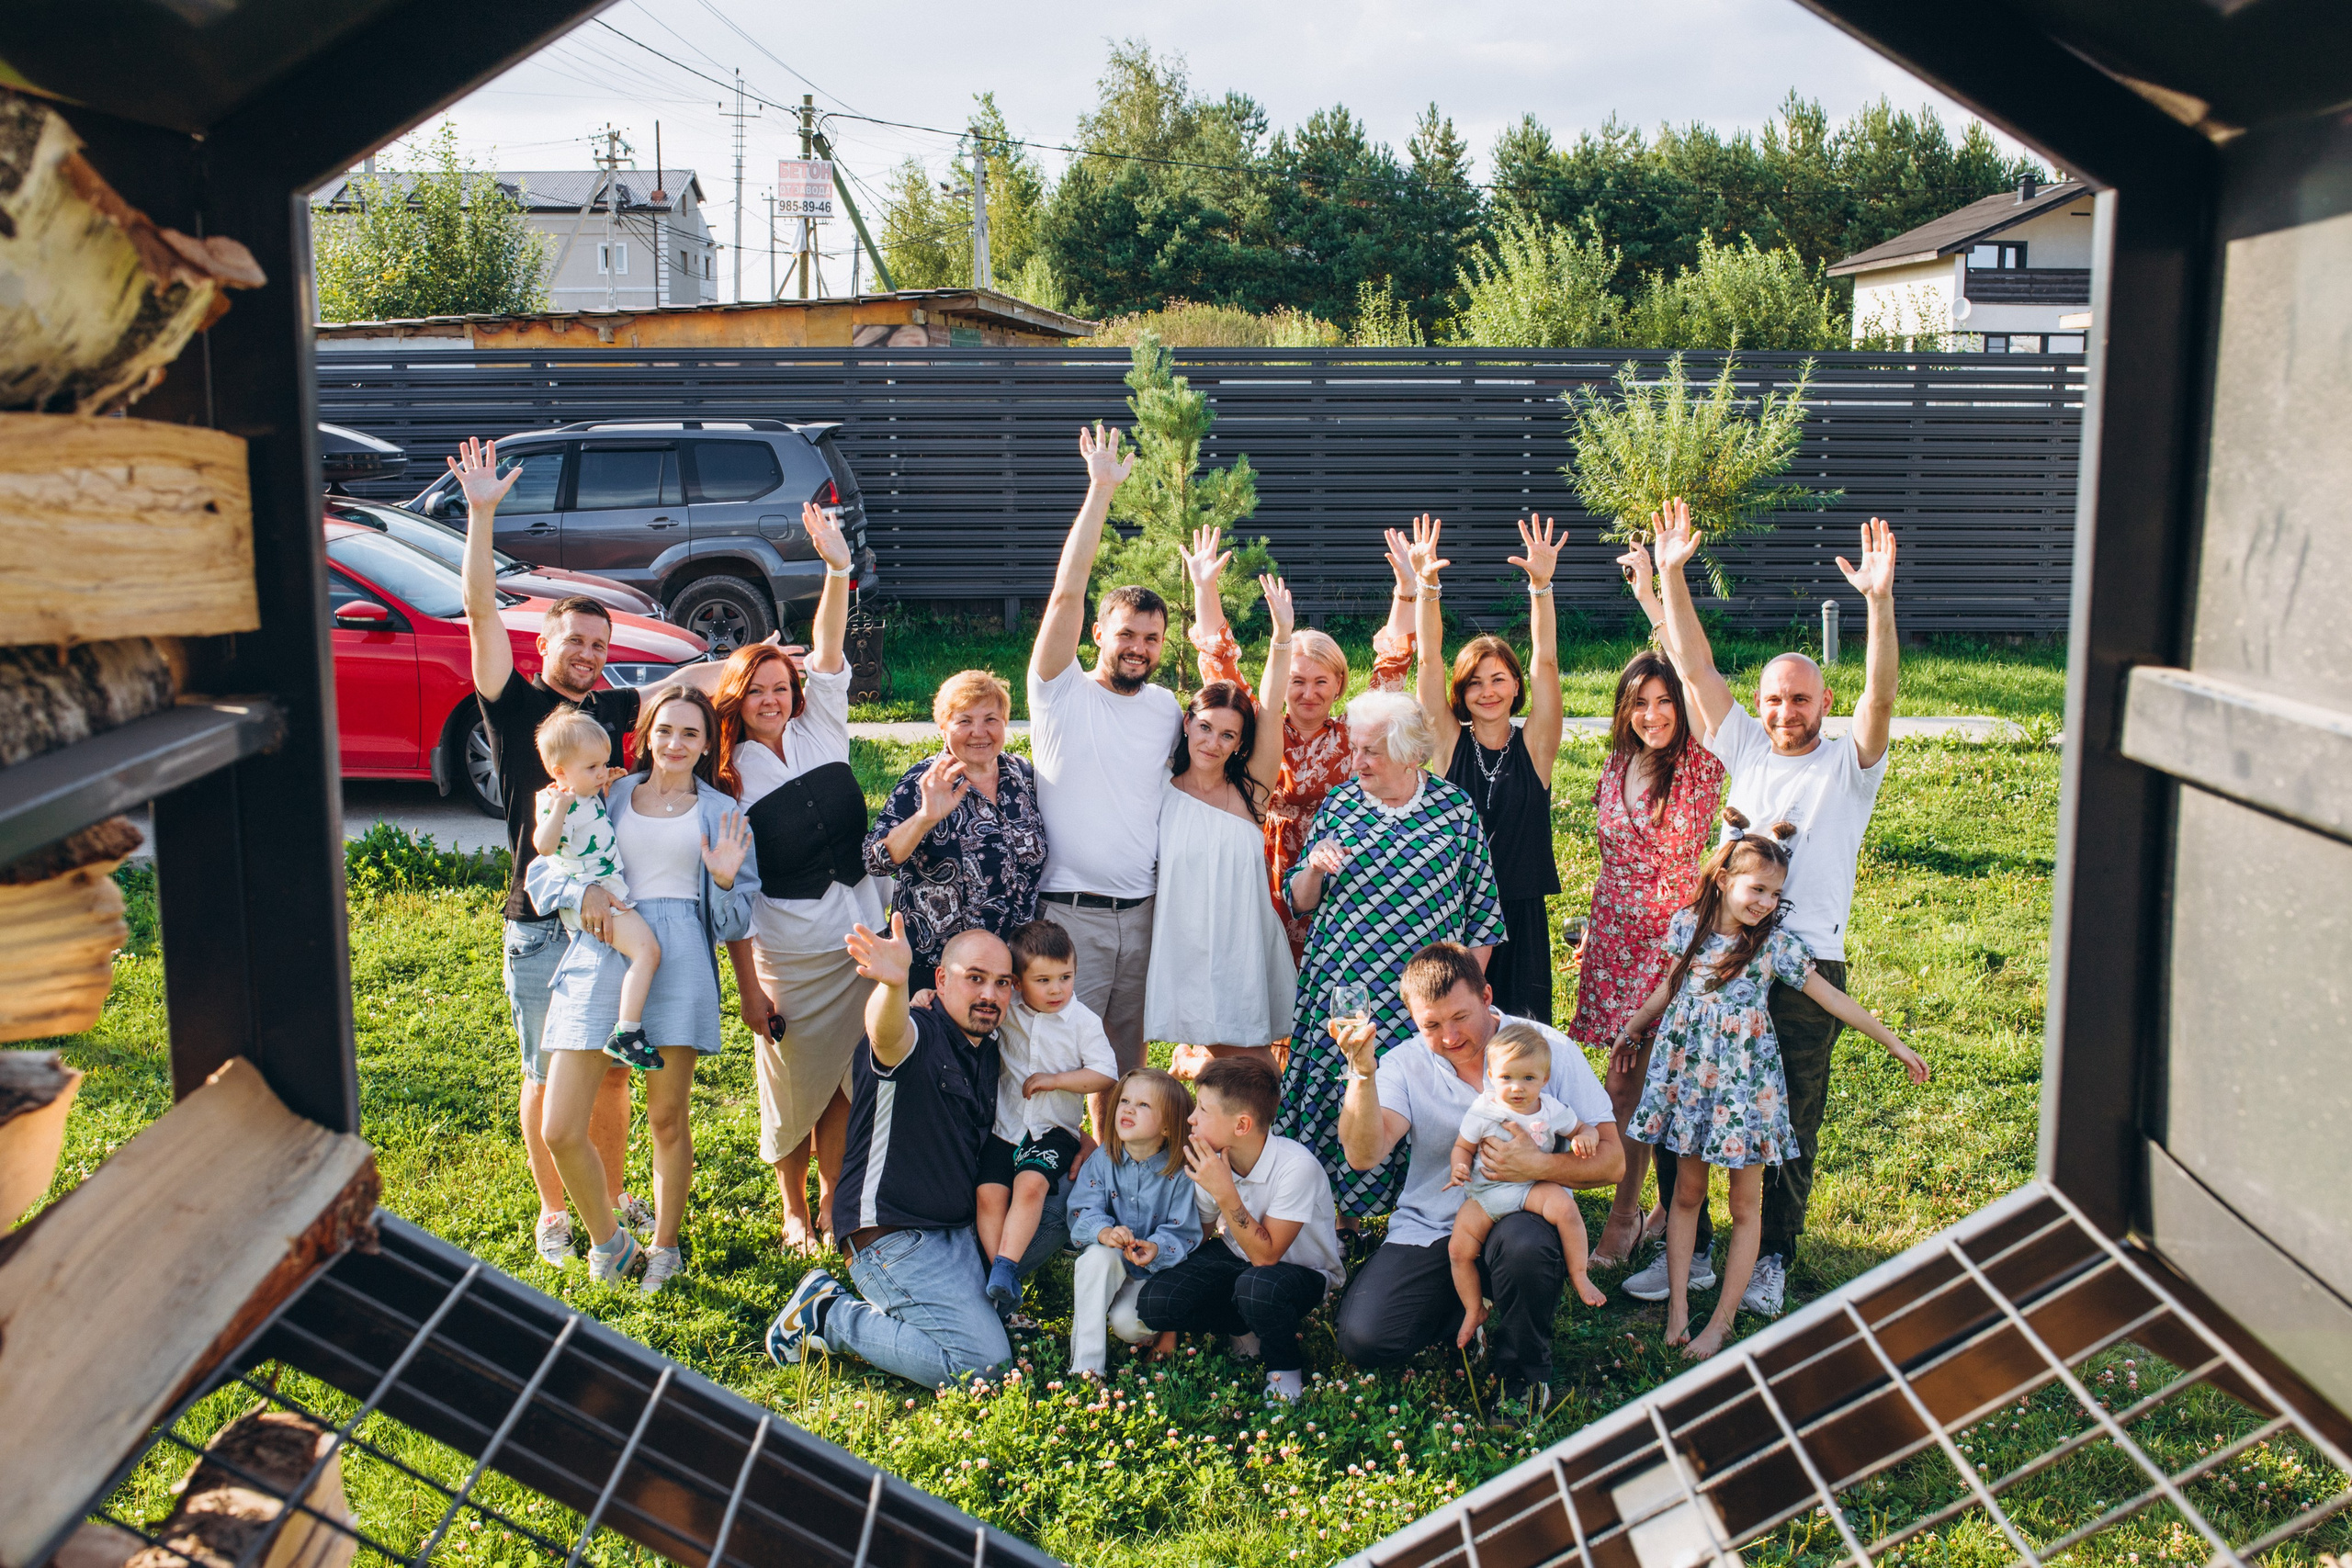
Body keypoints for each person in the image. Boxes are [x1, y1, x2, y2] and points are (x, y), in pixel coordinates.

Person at [454, 436, 732, 1266]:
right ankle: (555, 1212)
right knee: (546, 1074)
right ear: (543, 643)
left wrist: (756, 663)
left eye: (598, 646)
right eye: (573, 642)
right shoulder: (512, 705)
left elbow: (683, 692)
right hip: (541, 919)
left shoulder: (611, 713)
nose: (586, 655)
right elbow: (475, 608)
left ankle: (607, 1199)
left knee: (611, 1069)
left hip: (609, 922)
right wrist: (481, 514)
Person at [1636, 500, 1905, 1319]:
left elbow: (1884, 698)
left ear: (1823, 702)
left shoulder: (1850, 764)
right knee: (1689, 1102)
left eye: (1799, 699)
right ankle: (1699, 1244)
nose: (1785, 711)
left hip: (1806, 961)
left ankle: (1772, 1255)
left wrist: (1878, 604)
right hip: (1717, 958)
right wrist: (1673, 577)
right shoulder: (1745, 743)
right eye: (1775, 699)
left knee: (1784, 1119)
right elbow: (1695, 664)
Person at [1611, 808, 1928, 1359]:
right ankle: (1681, 1306)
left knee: (1744, 1205)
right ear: (1724, 879)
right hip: (1691, 1084)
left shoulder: (1773, 946)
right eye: (1757, 888)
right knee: (1685, 1194)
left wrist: (1894, 1042)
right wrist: (1633, 1029)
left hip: (1743, 1091)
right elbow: (1669, 989)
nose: (1764, 902)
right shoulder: (1687, 928)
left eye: (1775, 894)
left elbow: (1832, 999)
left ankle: (1723, 1323)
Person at [1331, 943, 1621, 1430]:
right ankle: (1468, 1310)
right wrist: (1362, 1073)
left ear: (1487, 995)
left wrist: (1539, 1163)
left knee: (1525, 1245)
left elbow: (1613, 1162)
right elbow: (1363, 1155)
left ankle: (1523, 1376)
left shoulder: (1546, 1049)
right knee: (1364, 1338)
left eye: (1461, 1017)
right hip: (1434, 1225)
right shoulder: (1404, 1063)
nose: (1449, 1037)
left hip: (1522, 1216)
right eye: (1431, 1025)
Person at [526, 686, 758, 1292]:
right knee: (559, 1126)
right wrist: (583, 896)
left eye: (690, 733)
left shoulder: (723, 811)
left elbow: (734, 921)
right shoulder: (610, 789)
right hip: (603, 949)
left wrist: (727, 880)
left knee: (667, 1118)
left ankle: (664, 1247)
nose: (675, 743)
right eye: (665, 730)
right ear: (645, 734)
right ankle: (609, 1239)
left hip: (678, 958)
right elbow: (542, 870)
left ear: (708, 742)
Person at [718, 504, 883, 1255]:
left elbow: (827, 644)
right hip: (790, 954)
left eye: (780, 686)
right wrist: (750, 987)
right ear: (736, 699)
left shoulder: (825, 727)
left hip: (858, 944)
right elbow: (736, 897)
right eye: (756, 690)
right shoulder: (728, 778)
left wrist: (836, 566)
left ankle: (830, 1201)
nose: (772, 699)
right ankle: (790, 1206)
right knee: (790, 1088)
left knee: (846, 1082)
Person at [1276, 688, 1506, 1224]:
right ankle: (1335, 1221)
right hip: (1345, 992)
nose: (1357, 762)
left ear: (1408, 752)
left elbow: (1484, 915)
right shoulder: (1340, 804)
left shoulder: (1454, 809)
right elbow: (1300, 900)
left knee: (1416, 1101)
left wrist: (1462, 1004)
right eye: (1355, 749)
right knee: (1341, 1095)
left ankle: (1420, 1212)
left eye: (1371, 752)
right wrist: (1313, 865)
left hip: (1421, 1004)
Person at [764, 922, 1016, 1387]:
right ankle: (828, 1313)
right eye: (974, 978)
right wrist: (894, 984)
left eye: (1002, 983)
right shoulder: (918, 1031)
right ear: (939, 980)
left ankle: (972, 1306)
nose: (989, 994)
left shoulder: (987, 1049)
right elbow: (887, 1034)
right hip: (893, 1238)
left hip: (958, 1229)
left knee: (1059, 1198)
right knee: (985, 1368)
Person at [1573, 555, 1728, 1268]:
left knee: (1644, 1079)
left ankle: (1631, 1214)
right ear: (1624, 709)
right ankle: (1650, 1203)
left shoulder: (1697, 763)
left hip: (1670, 944)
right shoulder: (1614, 764)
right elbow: (1612, 859)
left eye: (1664, 703)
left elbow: (1695, 673)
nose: (1655, 714)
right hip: (1612, 939)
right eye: (1641, 703)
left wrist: (1655, 595)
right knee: (1624, 1080)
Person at [1027, 423, 1180, 1136]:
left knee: (1124, 1061)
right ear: (1099, 635)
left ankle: (1114, 1167)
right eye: (1126, 634)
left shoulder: (1167, 709)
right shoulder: (1059, 691)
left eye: (1152, 639)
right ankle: (1055, 1171)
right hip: (1071, 915)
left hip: (1145, 915)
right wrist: (1100, 491)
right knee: (1062, 1050)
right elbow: (1065, 593)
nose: (1139, 648)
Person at [1183, 525, 1419, 969]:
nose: (1308, 693)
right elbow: (1219, 665)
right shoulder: (1260, 726)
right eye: (1296, 681)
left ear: (1339, 686)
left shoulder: (1355, 732)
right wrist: (1204, 587)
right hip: (1265, 866)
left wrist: (1406, 591)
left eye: (1320, 682)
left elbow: (1392, 666)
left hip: (1341, 865)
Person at [1396, 514, 1567, 1023]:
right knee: (1454, 1032)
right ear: (1461, 694)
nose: (1487, 691)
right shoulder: (1449, 747)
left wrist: (1542, 587)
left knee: (1523, 1035)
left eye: (1499, 679)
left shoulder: (1536, 747)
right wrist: (1427, 585)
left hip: (1521, 913)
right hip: (1455, 913)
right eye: (1474, 682)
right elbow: (1428, 662)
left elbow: (1548, 661)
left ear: (1517, 686)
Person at [1144, 574, 1299, 1075]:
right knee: (1231, 1060)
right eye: (1205, 727)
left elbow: (1271, 708)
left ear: (1239, 743)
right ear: (1187, 722)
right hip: (1182, 942)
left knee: (1252, 1064)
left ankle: (1264, 1142)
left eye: (1228, 735)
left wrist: (1281, 639)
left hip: (1241, 941)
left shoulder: (1251, 790)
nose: (1212, 742)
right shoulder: (1159, 788)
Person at [1130, 1056, 1344, 1404]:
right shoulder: (1213, 1158)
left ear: (1241, 1125)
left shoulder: (1296, 1167)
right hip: (1239, 1257)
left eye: (1203, 1109)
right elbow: (1198, 1235)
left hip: (1302, 1273)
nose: (1191, 1118)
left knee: (1256, 1284)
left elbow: (1266, 1255)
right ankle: (1241, 1323)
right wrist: (1163, 1251)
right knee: (1157, 1302)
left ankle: (1284, 1369)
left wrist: (1225, 1191)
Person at [864, 670, 1047, 993]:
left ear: (1006, 722)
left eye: (991, 718)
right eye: (964, 721)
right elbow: (876, 860)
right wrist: (924, 817)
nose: (979, 732)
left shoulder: (1022, 776)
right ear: (943, 726)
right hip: (939, 973)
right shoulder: (924, 781)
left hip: (1011, 967)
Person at [980, 919, 1117, 1314]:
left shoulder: (1082, 1022)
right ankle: (998, 1277)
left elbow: (1105, 1072)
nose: (1057, 989)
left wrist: (1058, 1079)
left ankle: (1006, 1266)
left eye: (1065, 976)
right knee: (989, 1195)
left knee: (1030, 1186)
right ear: (1018, 982)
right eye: (1043, 980)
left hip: (1053, 1131)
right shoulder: (1010, 1013)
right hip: (1005, 1127)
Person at [1444, 1022, 1606, 1348]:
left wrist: (1588, 1136)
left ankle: (1579, 1273)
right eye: (1506, 1078)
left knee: (1565, 1208)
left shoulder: (1550, 1110)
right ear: (1492, 1075)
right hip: (1486, 1195)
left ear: (1544, 1080)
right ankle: (1474, 1308)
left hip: (1532, 1187)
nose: (1516, 1088)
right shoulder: (1485, 1109)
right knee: (1459, 1251)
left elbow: (1582, 1128)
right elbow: (1464, 1145)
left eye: (1528, 1079)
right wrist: (1460, 1166)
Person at [529, 710, 664, 1069]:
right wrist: (558, 810)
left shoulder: (585, 792)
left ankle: (623, 1029)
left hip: (607, 889)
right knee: (648, 952)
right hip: (595, 897)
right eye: (592, 767)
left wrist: (602, 784)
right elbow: (543, 846)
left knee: (635, 957)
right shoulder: (556, 799)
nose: (602, 772)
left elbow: (590, 826)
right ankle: (627, 1033)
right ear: (560, 773)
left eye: (604, 763)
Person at [1067, 1068, 1203, 1377]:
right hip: (1110, 1263)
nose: (1128, 1108)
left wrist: (1156, 1247)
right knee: (1097, 1258)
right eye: (1125, 1100)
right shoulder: (1104, 1159)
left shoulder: (1180, 1173)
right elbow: (1082, 1207)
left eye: (1143, 1105)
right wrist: (1104, 1231)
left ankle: (1157, 1327)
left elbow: (1185, 1231)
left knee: (1127, 1325)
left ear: (1168, 1126)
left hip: (1152, 1276)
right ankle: (1086, 1370)